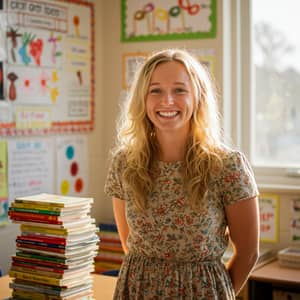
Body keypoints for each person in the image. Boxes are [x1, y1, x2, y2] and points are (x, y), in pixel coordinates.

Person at [104, 49, 260, 299]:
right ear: (142, 99)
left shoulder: (227, 166)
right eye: (155, 90)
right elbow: (129, 244)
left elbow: (249, 252)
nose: (167, 101)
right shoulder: (125, 163)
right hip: (137, 291)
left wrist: (218, 293)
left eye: (179, 90)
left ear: (198, 97)